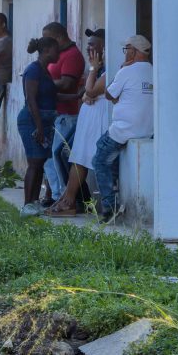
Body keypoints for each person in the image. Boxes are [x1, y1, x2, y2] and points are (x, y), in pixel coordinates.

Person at [47, 29, 109, 217]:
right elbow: (86, 93)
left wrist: (92, 72)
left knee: (81, 157)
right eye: (88, 43)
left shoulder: (109, 66)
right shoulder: (100, 67)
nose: (88, 47)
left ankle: (71, 200)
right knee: (73, 155)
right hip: (89, 119)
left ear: (104, 47)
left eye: (93, 44)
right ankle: (69, 198)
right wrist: (87, 93)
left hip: (99, 120)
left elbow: (90, 91)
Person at [92, 35, 154, 222]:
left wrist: (121, 69)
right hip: (146, 130)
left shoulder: (126, 71)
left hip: (123, 129)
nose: (125, 53)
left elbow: (109, 94)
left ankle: (109, 208)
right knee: (110, 158)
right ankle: (115, 190)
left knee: (99, 161)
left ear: (134, 51)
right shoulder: (153, 70)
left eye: (126, 49)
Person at [41, 22, 86, 207]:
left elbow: (67, 84)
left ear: (58, 37)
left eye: (47, 39)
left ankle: (65, 198)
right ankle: (54, 194)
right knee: (49, 158)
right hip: (54, 112)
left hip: (67, 115)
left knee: (58, 157)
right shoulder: (57, 54)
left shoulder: (72, 55)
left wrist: (42, 84)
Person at [17, 37, 60, 217]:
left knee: (40, 162)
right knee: (34, 162)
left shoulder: (45, 70)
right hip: (32, 121)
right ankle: (27, 204)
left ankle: (34, 202)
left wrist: (78, 95)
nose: (58, 54)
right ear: (47, 50)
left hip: (43, 120)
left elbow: (51, 97)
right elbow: (31, 99)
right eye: (56, 50)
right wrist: (39, 127)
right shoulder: (33, 70)